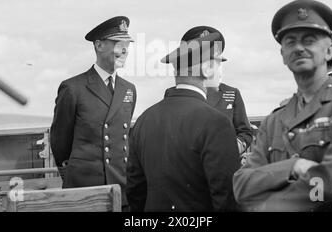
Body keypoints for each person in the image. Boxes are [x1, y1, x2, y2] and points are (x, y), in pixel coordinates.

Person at [233, 0, 332, 212]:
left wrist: (263, 205)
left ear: (330, 51)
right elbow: (241, 185)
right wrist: (292, 167)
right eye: (290, 41)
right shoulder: (274, 121)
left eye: (309, 40)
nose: (299, 47)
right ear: (283, 55)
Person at [126, 28, 241, 212]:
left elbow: (135, 190)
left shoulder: (144, 120)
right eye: (217, 63)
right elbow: (228, 197)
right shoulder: (216, 123)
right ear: (205, 69)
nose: (220, 69)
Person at [50, 16, 137, 209]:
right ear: (99, 45)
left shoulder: (128, 90)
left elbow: (121, 139)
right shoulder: (73, 88)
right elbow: (59, 140)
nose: (124, 50)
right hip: (85, 190)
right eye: (117, 43)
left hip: (121, 189)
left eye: (127, 44)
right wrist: (73, 175)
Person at [164, 26, 253, 154]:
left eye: (217, 63)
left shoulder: (232, 93)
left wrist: (229, 149)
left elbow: (245, 132)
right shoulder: (173, 93)